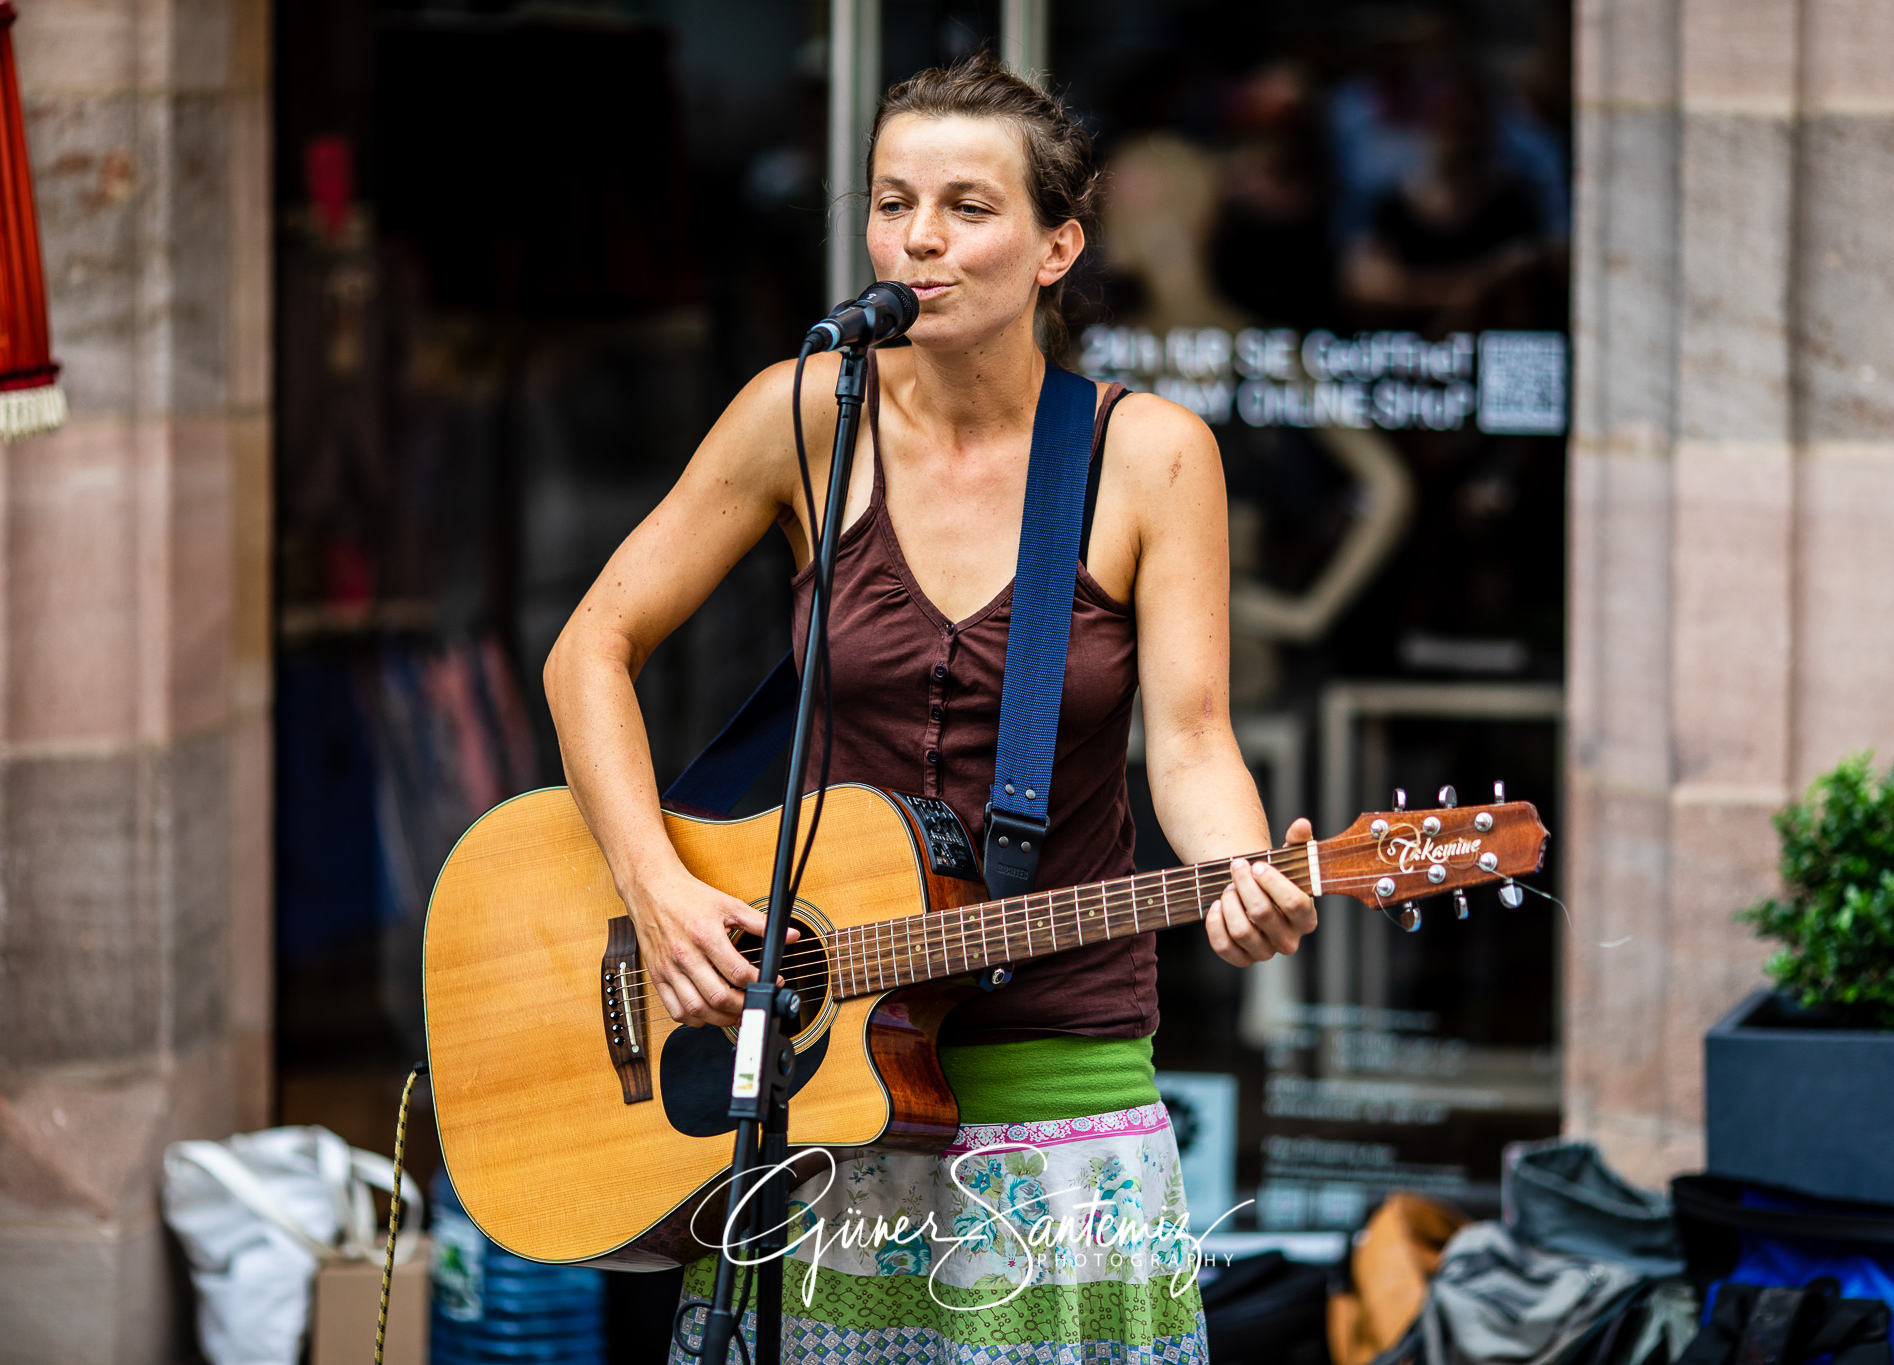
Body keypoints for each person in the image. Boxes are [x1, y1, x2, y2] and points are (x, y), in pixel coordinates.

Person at [544, 50, 1318, 1364]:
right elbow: (590, 649)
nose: (918, 238)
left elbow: (1187, 742)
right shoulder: (802, 415)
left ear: (1059, 242)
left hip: (1055, 1071)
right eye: (893, 200)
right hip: (823, 1083)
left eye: (968, 206)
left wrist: (1242, 873)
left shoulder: (1149, 457)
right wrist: (659, 886)